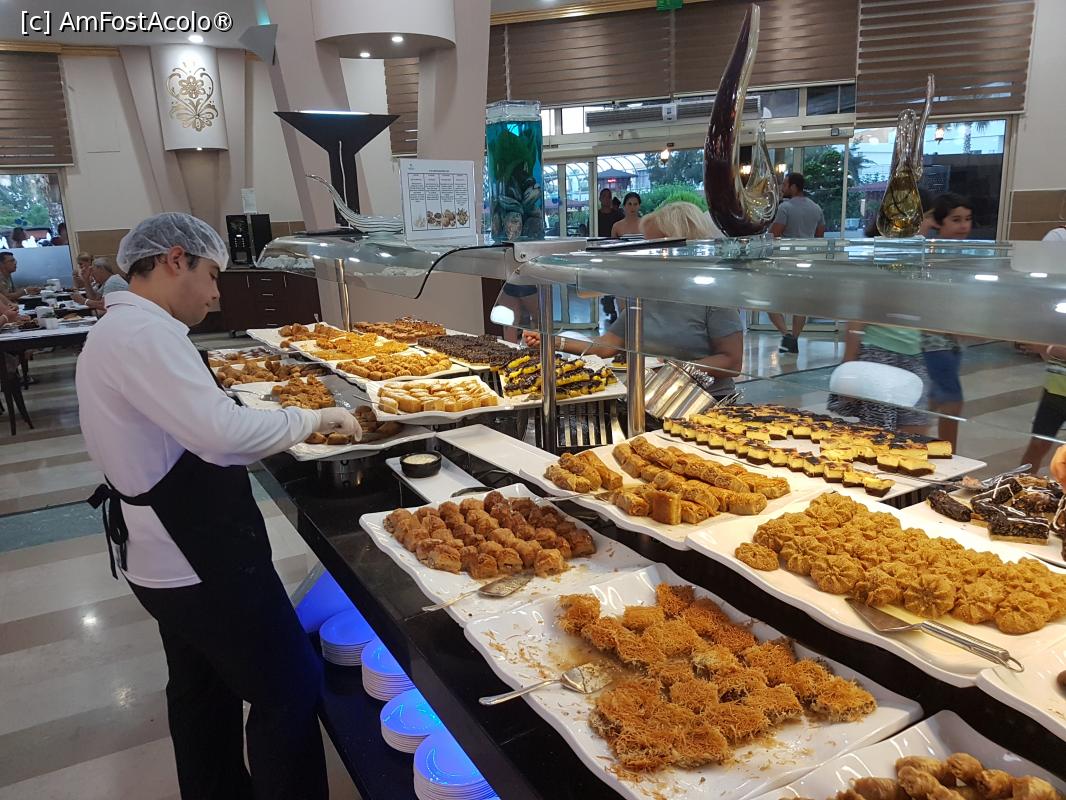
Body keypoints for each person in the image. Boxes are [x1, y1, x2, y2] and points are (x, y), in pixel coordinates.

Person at [76, 212, 359, 799]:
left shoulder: (121, 328)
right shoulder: (145, 335)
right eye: (210, 275)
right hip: (196, 558)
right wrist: (314, 417)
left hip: (159, 553)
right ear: (174, 259)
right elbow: (222, 436)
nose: (215, 293)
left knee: (201, 688)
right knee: (289, 687)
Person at [525, 201, 743, 399]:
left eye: (654, 247)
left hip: (706, 401)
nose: (647, 255)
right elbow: (608, 345)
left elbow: (731, 361)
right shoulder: (647, 291)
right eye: (646, 245)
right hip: (653, 394)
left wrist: (677, 368)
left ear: (684, 245)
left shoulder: (712, 292)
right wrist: (552, 341)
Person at [919, 194, 975, 449]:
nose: (964, 226)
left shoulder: (962, 254)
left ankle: (922, 441)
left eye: (967, 219)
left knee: (936, 399)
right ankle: (948, 454)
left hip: (951, 341)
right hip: (933, 341)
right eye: (956, 220)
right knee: (952, 400)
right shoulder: (931, 251)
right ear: (939, 223)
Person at [828, 323, 930, 433]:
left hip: (915, 355)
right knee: (878, 429)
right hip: (878, 354)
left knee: (915, 423)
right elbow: (855, 321)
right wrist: (848, 370)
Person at [768, 173, 826, 354]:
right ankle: (794, 337)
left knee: (771, 301)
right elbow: (820, 235)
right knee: (800, 304)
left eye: (785, 184)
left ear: (793, 187)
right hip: (807, 262)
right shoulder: (816, 208)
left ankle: (786, 335)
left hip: (785, 261)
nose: (782, 188)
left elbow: (774, 234)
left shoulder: (785, 208)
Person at [1020, 343, 1066, 475]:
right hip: (1053, 391)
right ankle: (1023, 483)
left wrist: (1047, 348)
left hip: (1055, 391)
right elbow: (1051, 359)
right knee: (1037, 444)